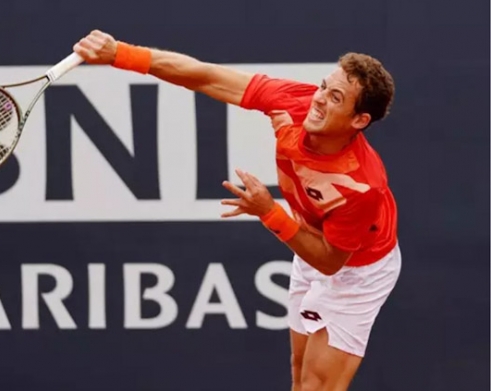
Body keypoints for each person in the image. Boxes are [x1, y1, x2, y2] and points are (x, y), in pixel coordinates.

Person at [73, 30, 402, 391]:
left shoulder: (362, 186)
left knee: (317, 386)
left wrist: (269, 212)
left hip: (357, 269)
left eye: (335, 97)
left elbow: (329, 262)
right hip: (313, 241)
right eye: (324, 86)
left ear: (359, 120)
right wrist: (120, 53)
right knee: (299, 370)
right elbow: (207, 76)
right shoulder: (296, 103)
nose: (319, 100)